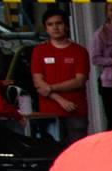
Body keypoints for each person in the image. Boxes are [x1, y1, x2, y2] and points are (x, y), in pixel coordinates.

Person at [27, 9, 92, 142]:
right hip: (49, 113)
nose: (55, 27)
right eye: (50, 24)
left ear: (66, 25)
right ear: (46, 28)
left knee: (77, 152)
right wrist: (60, 100)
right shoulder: (39, 51)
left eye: (59, 23)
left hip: (75, 110)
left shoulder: (79, 51)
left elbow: (79, 81)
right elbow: (38, 83)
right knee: (52, 153)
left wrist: (50, 88)